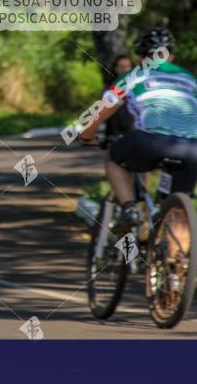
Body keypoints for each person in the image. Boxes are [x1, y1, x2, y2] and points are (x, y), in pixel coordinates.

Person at [80, 28, 197, 233]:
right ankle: (177, 262)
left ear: (140, 57)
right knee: (176, 213)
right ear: (172, 56)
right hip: (193, 149)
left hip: (151, 141)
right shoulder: (189, 78)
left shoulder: (133, 76)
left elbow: (101, 110)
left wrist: (87, 135)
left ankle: (129, 210)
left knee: (113, 158)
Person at [100, 55, 134, 147]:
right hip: (113, 135)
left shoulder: (139, 87)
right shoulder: (109, 88)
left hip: (135, 134)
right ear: (115, 68)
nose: (124, 69)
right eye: (121, 66)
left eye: (127, 67)